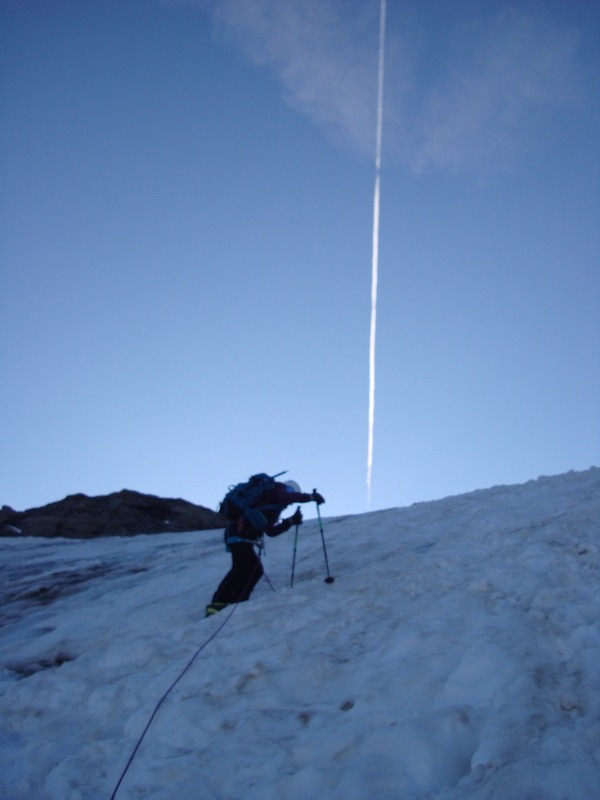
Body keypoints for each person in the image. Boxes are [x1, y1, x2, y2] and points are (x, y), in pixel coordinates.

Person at [205, 478, 325, 617]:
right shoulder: (275, 491)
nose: (289, 495)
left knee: (253, 570)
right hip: (240, 533)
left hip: (242, 534)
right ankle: (220, 603)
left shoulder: (272, 506)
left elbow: (270, 531)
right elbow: (282, 496)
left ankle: (237, 601)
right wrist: (309, 497)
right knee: (242, 568)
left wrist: (291, 521)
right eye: (290, 491)